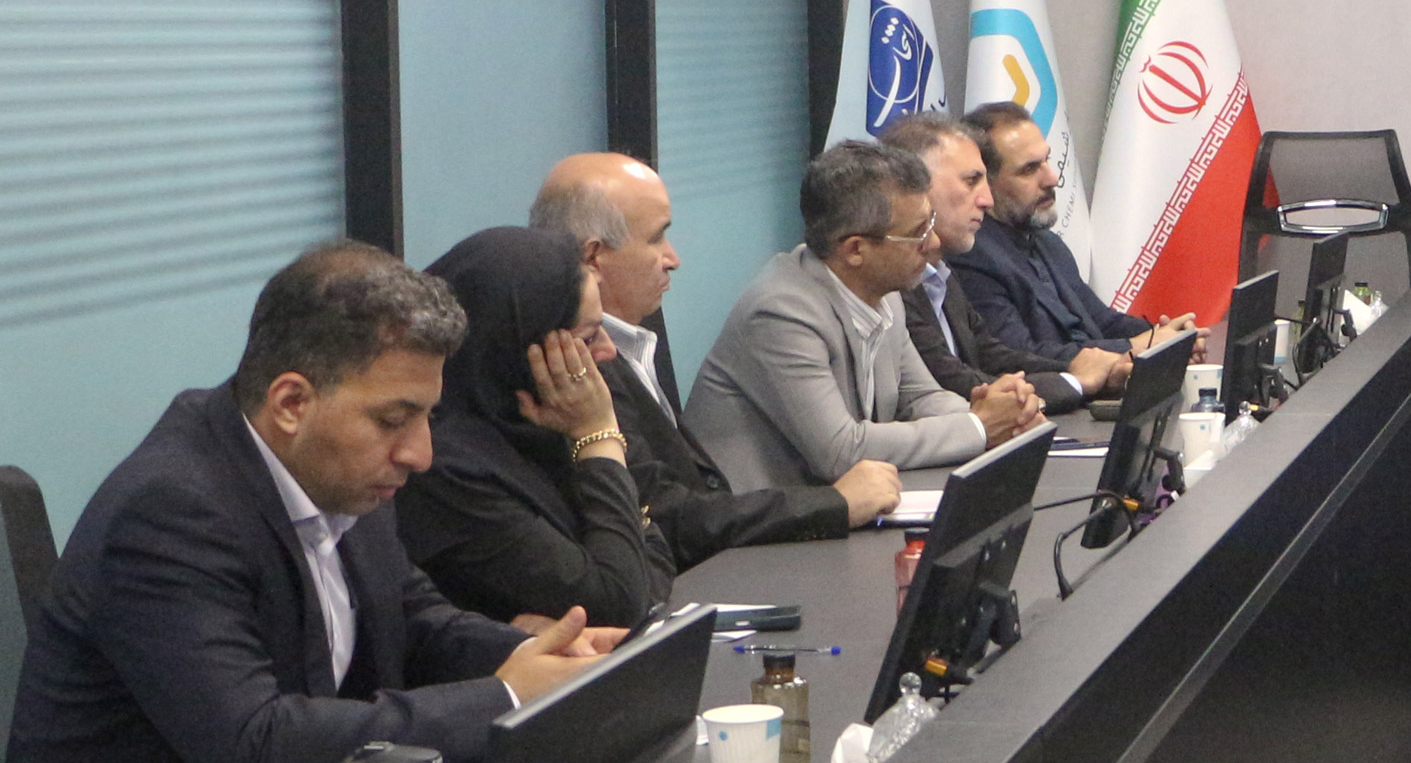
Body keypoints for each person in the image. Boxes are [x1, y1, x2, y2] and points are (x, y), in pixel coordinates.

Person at [0, 244, 611, 763]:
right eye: (393, 419)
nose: (420, 453)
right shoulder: (172, 510)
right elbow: (254, 744)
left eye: (427, 417)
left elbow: (412, 617)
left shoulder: (336, 471)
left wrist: (546, 659)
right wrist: (506, 695)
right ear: (291, 401)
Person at [534, 154, 892, 558]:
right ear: (594, 258)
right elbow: (664, 513)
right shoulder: (578, 366)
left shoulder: (633, 339)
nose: (673, 259)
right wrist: (835, 504)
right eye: (656, 239)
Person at [684, 141, 1043, 494]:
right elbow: (841, 451)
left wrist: (1002, 415)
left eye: (930, 223)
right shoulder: (781, 313)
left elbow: (919, 397)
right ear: (856, 249)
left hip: (839, 507)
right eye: (917, 233)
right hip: (759, 519)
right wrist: (978, 426)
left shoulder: (885, 295)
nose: (934, 243)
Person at [393, 228, 675, 628]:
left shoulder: (541, 426)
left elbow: (656, 555)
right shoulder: (442, 471)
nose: (608, 351)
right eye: (587, 337)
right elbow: (618, 603)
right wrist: (599, 437)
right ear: (518, 346)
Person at [878, 111, 1112, 413]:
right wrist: (1076, 381)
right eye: (971, 181)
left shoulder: (941, 272)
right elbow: (956, 383)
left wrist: (1087, 371)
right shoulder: (893, 283)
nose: (987, 200)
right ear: (916, 190)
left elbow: (992, 355)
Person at [952, 103, 1195, 370]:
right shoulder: (972, 255)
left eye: (1047, 160)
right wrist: (1136, 347)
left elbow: (1103, 322)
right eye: (1029, 170)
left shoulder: (1047, 242)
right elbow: (1019, 355)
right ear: (986, 183)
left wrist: (1169, 338)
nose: (1052, 178)